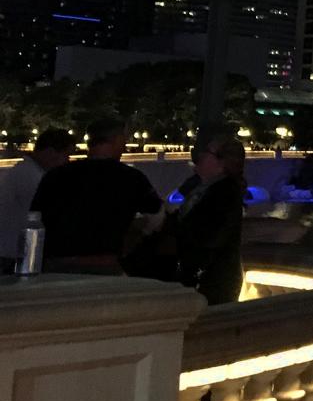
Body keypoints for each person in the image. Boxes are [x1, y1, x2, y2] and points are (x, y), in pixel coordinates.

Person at [31, 117, 162, 274]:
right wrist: (137, 234)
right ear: (117, 140)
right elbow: (156, 214)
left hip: (56, 266)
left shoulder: (55, 176)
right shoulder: (131, 178)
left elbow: (35, 217)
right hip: (104, 265)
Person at [174, 134, 247, 305]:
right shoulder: (203, 189)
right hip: (207, 278)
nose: (200, 155)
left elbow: (209, 236)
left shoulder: (225, 194)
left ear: (222, 164)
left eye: (207, 152)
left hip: (212, 283)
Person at [0, 129, 74, 271]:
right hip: (14, 255)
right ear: (51, 152)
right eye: (66, 155)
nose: (67, 161)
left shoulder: (25, 171)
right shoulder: (32, 177)